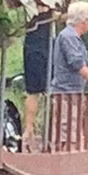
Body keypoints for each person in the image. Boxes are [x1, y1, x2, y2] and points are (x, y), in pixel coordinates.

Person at [22, 8, 54, 141]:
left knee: (48, 92)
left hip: (44, 45)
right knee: (35, 91)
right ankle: (29, 128)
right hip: (38, 47)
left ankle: (47, 129)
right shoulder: (36, 5)